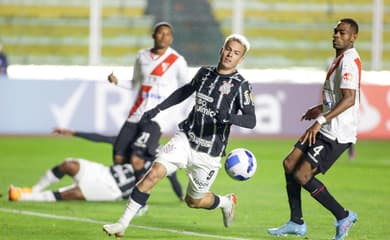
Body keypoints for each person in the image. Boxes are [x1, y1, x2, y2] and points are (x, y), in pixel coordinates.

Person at [102, 33, 256, 238]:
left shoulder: (240, 85)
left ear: (241, 59)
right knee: (153, 173)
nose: (230, 54)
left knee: (193, 201)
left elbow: (250, 120)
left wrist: (227, 117)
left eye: (236, 53)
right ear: (221, 50)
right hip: (186, 139)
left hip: (209, 153)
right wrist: (157, 109)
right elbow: (184, 92)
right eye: (228, 49)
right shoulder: (205, 73)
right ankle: (122, 224)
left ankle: (226, 202)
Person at [267, 18, 361, 240]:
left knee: (302, 173)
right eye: (335, 31)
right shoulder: (339, 59)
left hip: (336, 132)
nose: (337, 35)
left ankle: (343, 215)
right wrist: (321, 108)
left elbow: (349, 99)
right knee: (289, 163)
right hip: (326, 124)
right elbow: (341, 96)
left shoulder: (348, 61)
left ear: (353, 37)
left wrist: (321, 119)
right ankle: (296, 222)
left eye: (343, 33)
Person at [107, 21, 188, 186]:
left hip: (157, 117)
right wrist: (117, 82)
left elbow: (187, 89)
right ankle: (126, 189)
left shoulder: (177, 61)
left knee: (137, 157)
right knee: (118, 157)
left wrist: (176, 114)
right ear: (153, 35)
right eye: (160, 33)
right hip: (136, 113)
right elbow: (135, 83)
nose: (164, 37)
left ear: (171, 39)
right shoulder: (141, 56)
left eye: (168, 34)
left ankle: (139, 195)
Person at [52, 127, 184, 201]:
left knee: (74, 192)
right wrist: (74, 132)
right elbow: (100, 138)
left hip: (120, 190)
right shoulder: (133, 143)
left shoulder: (160, 154)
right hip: (111, 178)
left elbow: (173, 179)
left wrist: (181, 196)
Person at [8, 158, 137, 202]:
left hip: (114, 190)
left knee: (72, 193)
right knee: (68, 165)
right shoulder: (142, 144)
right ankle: (33, 189)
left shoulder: (155, 165)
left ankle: (21, 197)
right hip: (104, 172)